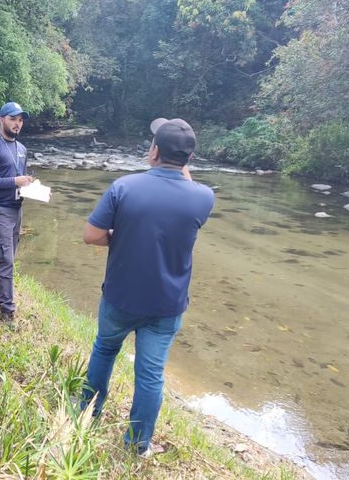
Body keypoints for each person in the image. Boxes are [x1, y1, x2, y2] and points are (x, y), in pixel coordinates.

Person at [81, 118, 214, 455]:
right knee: (151, 373)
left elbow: (92, 235)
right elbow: (187, 189)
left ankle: (86, 415)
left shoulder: (123, 187)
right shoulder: (203, 197)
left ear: (153, 151)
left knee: (105, 350)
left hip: (121, 297)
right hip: (166, 305)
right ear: (190, 159)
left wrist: (120, 236)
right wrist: (180, 166)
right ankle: (137, 445)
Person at [0, 102, 34, 327]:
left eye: (20, 119)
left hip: (16, 207)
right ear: (1, 119)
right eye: (13, 119)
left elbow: (19, 178)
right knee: (5, 259)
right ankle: (7, 312)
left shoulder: (22, 149)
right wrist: (13, 181)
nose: (17, 123)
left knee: (5, 256)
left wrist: (29, 184)